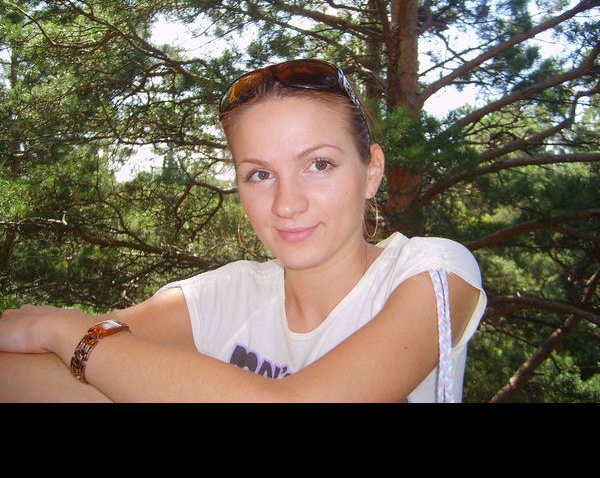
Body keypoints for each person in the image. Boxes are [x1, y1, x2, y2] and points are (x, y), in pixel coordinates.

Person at [0, 59, 486, 403]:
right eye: (260, 173)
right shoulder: (224, 296)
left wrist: (61, 328)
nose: (287, 204)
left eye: (319, 164)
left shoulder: (433, 272)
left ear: (372, 171)